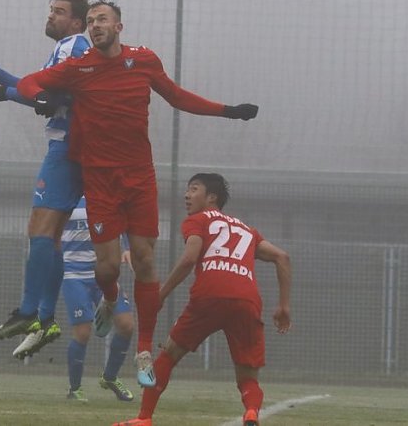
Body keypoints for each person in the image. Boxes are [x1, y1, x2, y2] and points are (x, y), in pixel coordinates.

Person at [16, 0, 259, 387]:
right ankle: (111, 299)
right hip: (100, 180)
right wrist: (39, 96)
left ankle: (144, 351)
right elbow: (29, 82)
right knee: (108, 268)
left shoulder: (143, 60)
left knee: (145, 260)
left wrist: (228, 111)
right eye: (90, 21)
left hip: (140, 178)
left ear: (119, 26)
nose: (95, 25)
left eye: (102, 19)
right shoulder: (79, 67)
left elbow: (176, 96)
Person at [0, 0, 91, 359]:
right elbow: (42, 93)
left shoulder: (73, 45)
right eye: (50, 10)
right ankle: (45, 319)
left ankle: (28, 311)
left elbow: (53, 97)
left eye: (59, 12)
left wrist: (5, 86)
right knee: (52, 238)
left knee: (40, 230)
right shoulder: (69, 48)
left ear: (77, 22)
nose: (51, 16)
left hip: (66, 148)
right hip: (76, 147)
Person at [112, 173, 292, 426]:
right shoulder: (246, 230)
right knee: (248, 376)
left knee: (169, 355)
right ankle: (251, 412)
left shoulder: (197, 220)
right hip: (246, 301)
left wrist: (161, 294)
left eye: (194, 189)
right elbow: (282, 257)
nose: (187, 195)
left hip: (209, 297)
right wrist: (283, 306)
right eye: (187, 190)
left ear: (211, 197)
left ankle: (144, 418)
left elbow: (189, 259)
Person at [55, 197, 135, 403]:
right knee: (83, 332)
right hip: (73, 275)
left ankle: (110, 377)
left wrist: (127, 247)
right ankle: (75, 389)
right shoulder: (66, 196)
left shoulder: (106, 196)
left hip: (103, 273)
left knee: (126, 325)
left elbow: (123, 220)